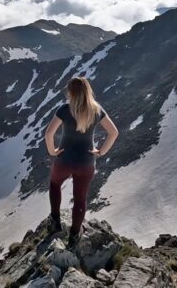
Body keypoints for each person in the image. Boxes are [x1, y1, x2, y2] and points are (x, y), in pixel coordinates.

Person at [44, 76, 119, 247]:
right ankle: (74, 234)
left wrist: (52, 151)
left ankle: (55, 220)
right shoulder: (96, 110)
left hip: (64, 159)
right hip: (86, 163)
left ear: (71, 92)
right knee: (80, 199)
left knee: (55, 184)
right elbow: (113, 132)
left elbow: (48, 134)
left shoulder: (65, 109)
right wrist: (100, 152)